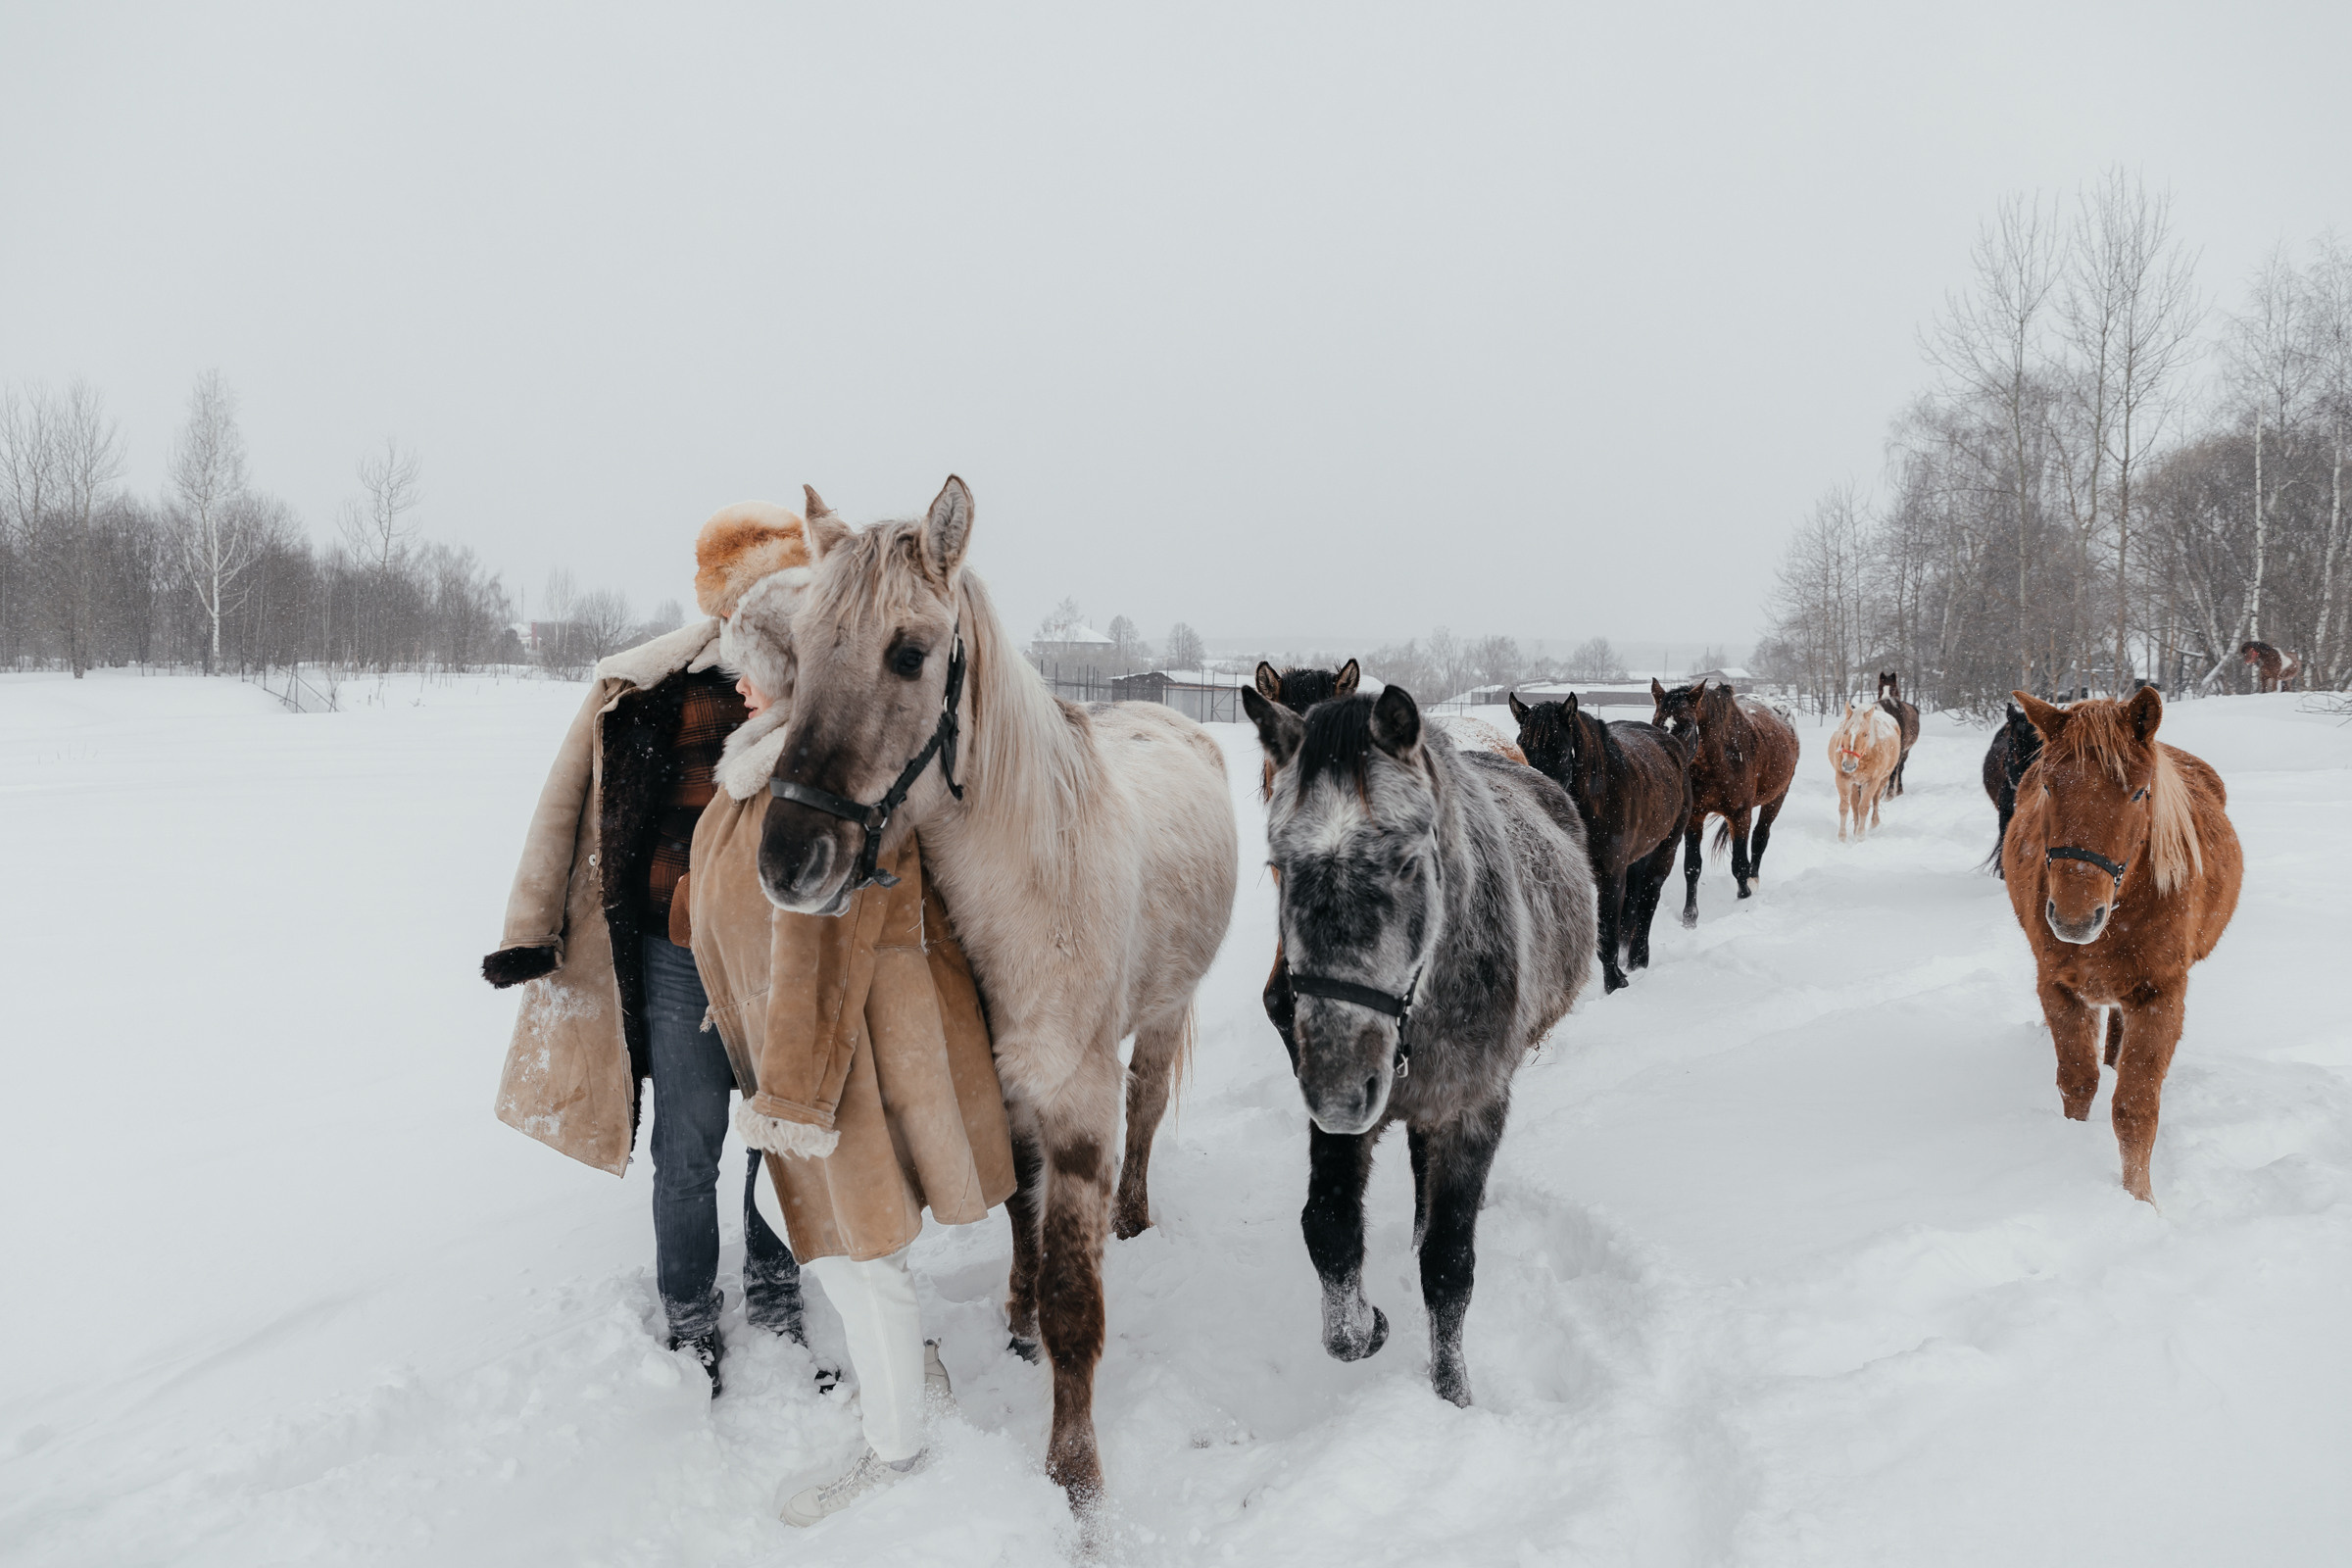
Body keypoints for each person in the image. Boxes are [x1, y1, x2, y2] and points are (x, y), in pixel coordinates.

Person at [688, 549, 1017, 1526]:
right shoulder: (764, 772)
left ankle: (896, 1447)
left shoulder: (811, 796)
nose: (736, 684)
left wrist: (790, 1100)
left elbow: (815, 955)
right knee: (840, 1246)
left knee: (856, 1258)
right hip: (810, 1064)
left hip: (830, 1071)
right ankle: (908, 1387)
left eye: (749, 667)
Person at [482, 502, 814, 1395]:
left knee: (782, 1132)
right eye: (759, 598)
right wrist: (530, 927)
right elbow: (564, 807)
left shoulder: (830, 690)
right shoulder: (651, 686)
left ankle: (778, 1292)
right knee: (689, 1141)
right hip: (678, 948)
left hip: (787, 952)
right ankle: (690, 1311)